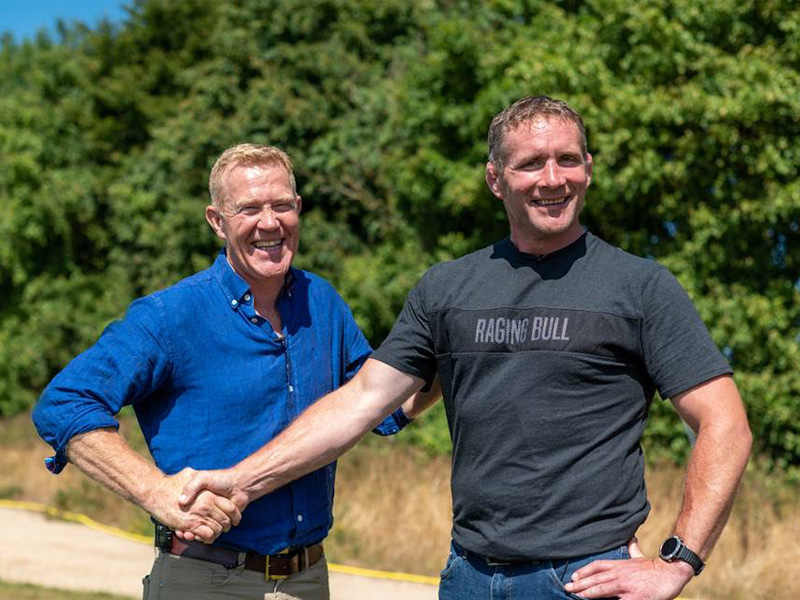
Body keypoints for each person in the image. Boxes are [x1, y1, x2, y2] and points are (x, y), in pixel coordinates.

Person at [177, 98, 752, 600]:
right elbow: (361, 403)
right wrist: (240, 481)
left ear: (588, 168)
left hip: (585, 581)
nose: (553, 178)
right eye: (531, 163)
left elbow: (724, 423)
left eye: (568, 159)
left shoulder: (641, 288)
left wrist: (678, 561)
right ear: (496, 178)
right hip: (469, 579)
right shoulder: (448, 289)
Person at [32, 143, 436, 600]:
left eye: (282, 205)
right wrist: (154, 492)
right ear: (216, 221)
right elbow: (64, 403)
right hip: (205, 578)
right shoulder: (170, 316)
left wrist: (452, 351)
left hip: (307, 578)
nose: (270, 223)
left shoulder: (321, 302)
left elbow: (378, 406)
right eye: (249, 209)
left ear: (298, 209)